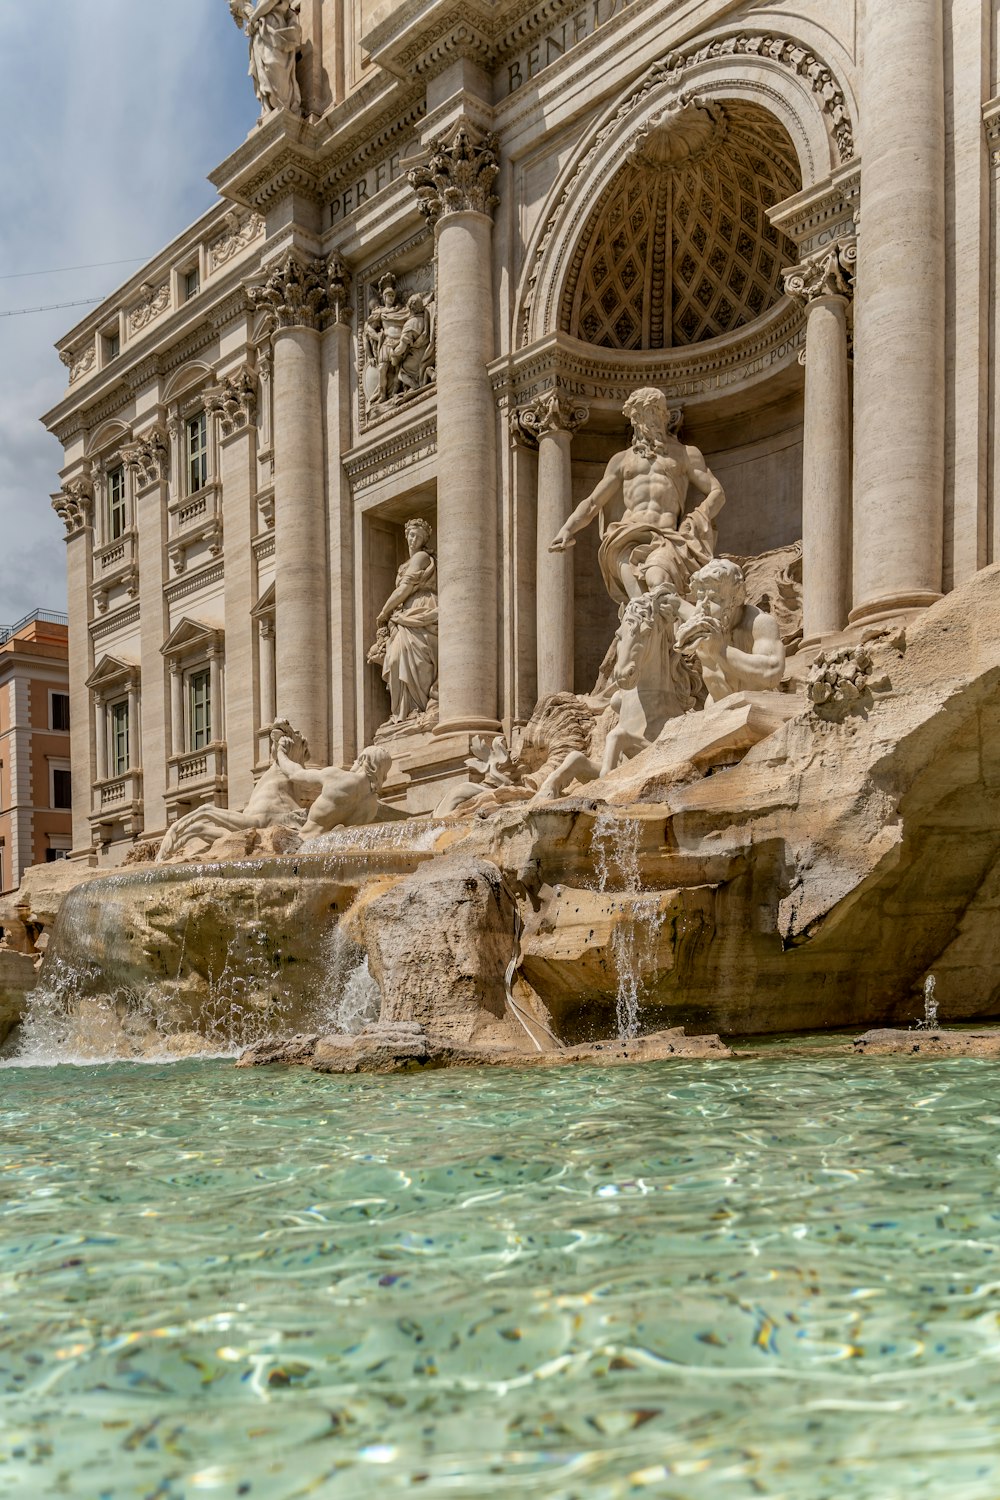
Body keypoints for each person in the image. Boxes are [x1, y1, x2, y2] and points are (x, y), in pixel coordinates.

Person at [549, 386, 725, 606]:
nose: (647, 422)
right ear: (633, 421)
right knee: (639, 605)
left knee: (658, 583)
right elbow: (594, 502)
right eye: (640, 416)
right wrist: (568, 528)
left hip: (666, 537)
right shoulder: (622, 460)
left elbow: (717, 493)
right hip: (625, 537)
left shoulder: (685, 454)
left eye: (652, 413)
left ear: (664, 415)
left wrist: (696, 519)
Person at [674, 559, 785, 703]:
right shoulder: (708, 627)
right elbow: (721, 696)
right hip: (718, 706)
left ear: (737, 598)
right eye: (700, 597)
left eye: (714, 598)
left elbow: (772, 673)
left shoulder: (760, 623)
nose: (703, 607)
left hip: (759, 703)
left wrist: (720, 650)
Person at [368, 519, 439, 723]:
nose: (412, 539)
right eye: (410, 534)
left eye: (417, 535)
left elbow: (405, 588)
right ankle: (405, 711)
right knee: (396, 658)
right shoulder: (405, 564)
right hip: (404, 613)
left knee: (415, 657)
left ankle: (418, 707)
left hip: (420, 607)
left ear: (425, 539)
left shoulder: (421, 557)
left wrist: (384, 611)